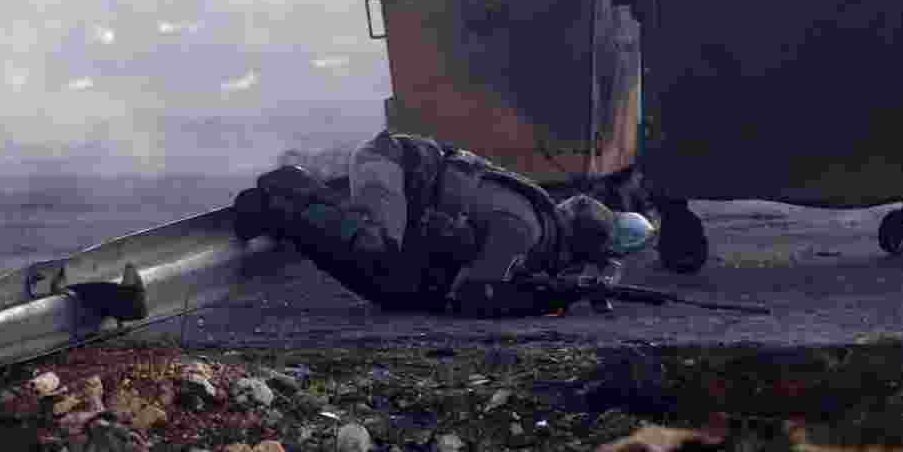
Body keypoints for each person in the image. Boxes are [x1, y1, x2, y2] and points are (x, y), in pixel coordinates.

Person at [234, 130, 657, 317]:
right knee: (375, 245)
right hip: (390, 162)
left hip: (402, 183)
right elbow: (473, 297)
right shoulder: (524, 230)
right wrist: (553, 299)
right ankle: (285, 194)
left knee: (393, 289)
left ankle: (295, 216)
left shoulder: (539, 229)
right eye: (583, 267)